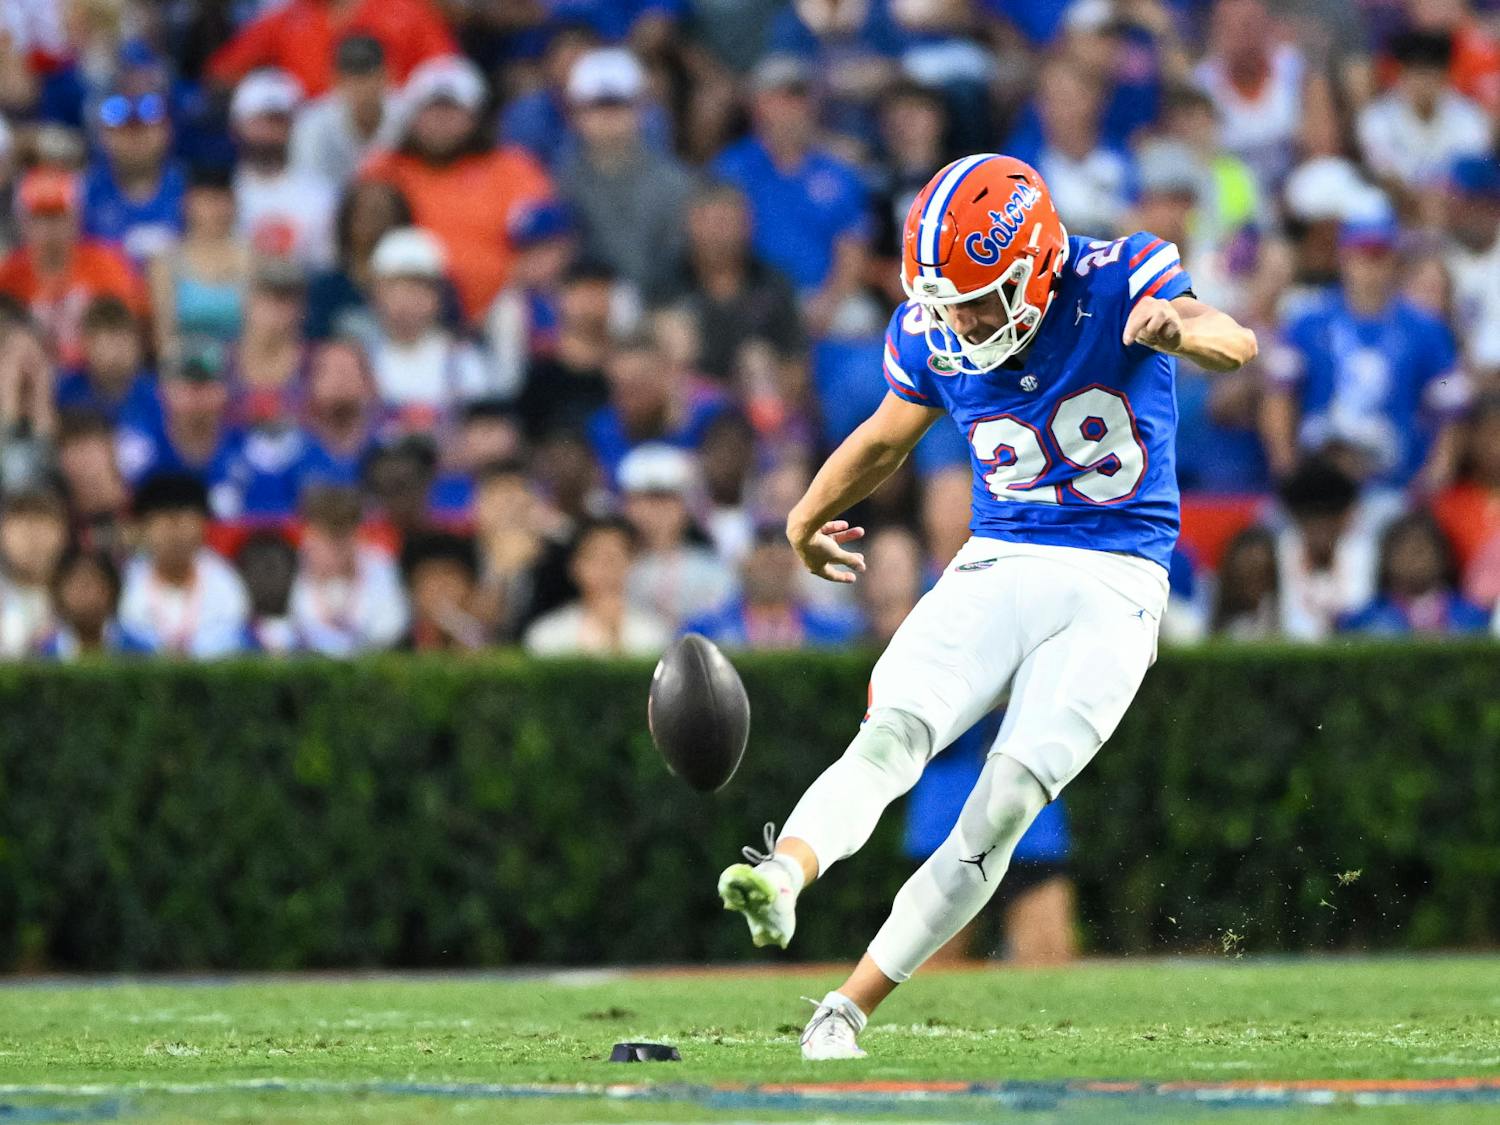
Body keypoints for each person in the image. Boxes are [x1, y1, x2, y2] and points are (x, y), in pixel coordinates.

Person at [713, 154, 1256, 1057]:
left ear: (1039, 265)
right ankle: (782, 872)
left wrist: (1179, 333)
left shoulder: (1122, 277)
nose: (961, 320)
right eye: (948, 301)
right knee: (893, 729)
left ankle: (847, 1005)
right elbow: (886, 438)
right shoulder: (936, 329)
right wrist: (806, 516)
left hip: (1119, 577)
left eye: (979, 298)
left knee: (1005, 800)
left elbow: (1230, 338)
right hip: (1002, 554)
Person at [1261, 211, 1470, 497]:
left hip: (1395, 482)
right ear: (1343, 257)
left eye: (1380, 255)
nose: (1371, 265)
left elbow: (1450, 405)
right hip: (1319, 479)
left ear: (1395, 262)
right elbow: (1279, 394)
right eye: (1362, 254)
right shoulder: (1307, 322)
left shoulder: (1425, 329)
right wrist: (1285, 464)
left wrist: (1436, 474)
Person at [361, 55, 553, 322]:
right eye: (430, 109)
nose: (441, 120)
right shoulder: (384, 169)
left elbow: (548, 244)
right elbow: (355, 243)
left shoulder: (512, 168)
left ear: (475, 115)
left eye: (452, 109)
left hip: (499, 313)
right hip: (403, 316)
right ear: (411, 115)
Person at [711, 55, 873, 337]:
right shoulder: (731, 168)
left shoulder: (838, 172)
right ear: (757, 105)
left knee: (861, 320)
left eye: (799, 96)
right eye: (779, 97)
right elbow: (717, 243)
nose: (791, 108)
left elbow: (852, 247)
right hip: (752, 294)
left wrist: (829, 302)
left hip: (823, 296)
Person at [555, 48, 693, 296]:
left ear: (641, 108)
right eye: (596, 106)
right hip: (584, 308)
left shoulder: (676, 183)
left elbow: (682, 267)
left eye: (618, 104)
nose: (608, 117)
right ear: (574, 113)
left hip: (659, 309)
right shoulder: (557, 183)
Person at [0, 168, 146, 366]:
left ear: (76, 218)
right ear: (23, 223)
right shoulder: (9, 275)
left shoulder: (107, 264)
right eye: (40, 217)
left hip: (94, 376)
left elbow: (129, 329)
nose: (50, 229)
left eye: (58, 216)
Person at [363, 227, 499, 416]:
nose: (408, 299)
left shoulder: (464, 360)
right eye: (397, 288)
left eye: (420, 288)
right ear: (376, 294)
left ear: (438, 296)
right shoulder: (361, 359)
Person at [117, 473, 250, 657]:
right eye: (164, 521)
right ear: (143, 528)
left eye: (185, 520)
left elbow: (233, 641)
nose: (175, 533)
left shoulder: (225, 581)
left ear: (204, 526)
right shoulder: (125, 582)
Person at [206, 0, 456, 98]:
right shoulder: (287, 18)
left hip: (390, 130)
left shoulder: (406, 11)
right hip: (306, 135)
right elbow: (222, 72)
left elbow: (449, 75)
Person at [1357, 31, 1491, 205]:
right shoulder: (1377, 117)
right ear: (1401, 75)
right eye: (1416, 73)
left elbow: (1472, 171)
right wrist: (1419, 199)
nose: (1423, 83)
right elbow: (1386, 174)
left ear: (1445, 77)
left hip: (1455, 207)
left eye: (1430, 73)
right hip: (1400, 205)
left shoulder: (1469, 116)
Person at [116, 338, 245, 517]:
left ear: (225, 391)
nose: (198, 397)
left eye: (207, 384)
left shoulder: (243, 446)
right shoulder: (141, 447)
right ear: (164, 391)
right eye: (188, 385)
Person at [229, 70, 338, 269]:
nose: (268, 133)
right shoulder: (222, 191)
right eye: (259, 121)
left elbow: (324, 267)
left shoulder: (320, 194)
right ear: (237, 125)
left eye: (278, 122)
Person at [619, 443, 735, 629]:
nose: (652, 511)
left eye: (664, 499)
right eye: (641, 499)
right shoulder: (614, 567)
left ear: (685, 506)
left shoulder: (712, 571)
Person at [523, 517, 670, 656]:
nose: (606, 568)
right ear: (575, 567)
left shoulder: (654, 632)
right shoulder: (546, 634)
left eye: (614, 557)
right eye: (595, 557)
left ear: (632, 563)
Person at [290, 484, 408, 655]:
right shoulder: (289, 566)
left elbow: (392, 625)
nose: (334, 550)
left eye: (341, 540)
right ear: (309, 534)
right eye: (325, 538)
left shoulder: (380, 565)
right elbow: (281, 629)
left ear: (356, 535)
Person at [147, 165, 253, 354]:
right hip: (184, 372)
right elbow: (163, 337)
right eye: (208, 201)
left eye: (224, 200)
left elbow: (255, 333)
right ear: (188, 203)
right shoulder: (166, 263)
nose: (217, 209)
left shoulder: (252, 260)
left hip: (237, 372)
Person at [1274, 457, 1378, 641]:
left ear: (1345, 517)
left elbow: (1361, 609)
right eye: (1310, 518)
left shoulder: (1363, 552)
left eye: (1328, 517)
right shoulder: (1281, 551)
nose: (1319, 527)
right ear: (1296, 518)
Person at [81, 83, 185, 263]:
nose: (135, 141)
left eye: (144, 131)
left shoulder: (189, 190)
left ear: (167, 132)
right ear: (103, 136)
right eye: (124, 132)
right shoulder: (83, 193)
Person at [1338, 513, 1489, 635]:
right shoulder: (1364, 621)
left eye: (1421, 550)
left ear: (1443, 557)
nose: (1414, 559)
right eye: (1404, 551)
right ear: (1386, 559)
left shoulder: (1473, 617)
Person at [288, 35, 402, 189]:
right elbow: (307, 191)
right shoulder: (314, 126)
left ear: (388, 76)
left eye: (369, 76)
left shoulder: (404, 117)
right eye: (351, 78)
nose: (362, 88)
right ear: (335, 81)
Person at [53, 295, 156, 426]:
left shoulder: (156, 397)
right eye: (109, 344)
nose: (117, 355)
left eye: (124, 344)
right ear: (87, 346)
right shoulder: (66, 393)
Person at [35, 548, 148, 658]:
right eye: (77, 587)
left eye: (93, 585)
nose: (86, 596)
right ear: (59, 595)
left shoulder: (140, 652)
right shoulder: (43, 656)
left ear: (113, 591)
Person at [0, 488, 70, 657]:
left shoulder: (83, 591)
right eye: (21, 523)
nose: (33, 535)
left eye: (43, 522)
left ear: (64, 533)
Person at [397, 530, 486, 651]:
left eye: (449, 576)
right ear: (413, 589)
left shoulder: (496, 645)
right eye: (429, 579)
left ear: (471, 586)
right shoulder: (395, 651)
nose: (441, 588)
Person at [236, 531, 303, 653]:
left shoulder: (309, 634)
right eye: (258, 570)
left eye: (275, 569)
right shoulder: (232, 637)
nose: (268, 580)